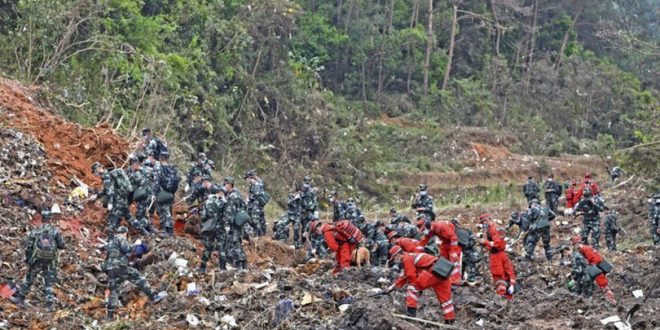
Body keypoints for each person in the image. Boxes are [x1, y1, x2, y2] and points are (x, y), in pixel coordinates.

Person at [103, 226, 167, 319]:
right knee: (138, 277)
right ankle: (154, 296)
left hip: (110, 268)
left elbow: (108, 255)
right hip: (120, 266)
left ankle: (109, 316)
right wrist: (135, 244)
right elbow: (127, 249)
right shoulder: (120, 238)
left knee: (113, 291)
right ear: (125, 233)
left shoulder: (111, 241)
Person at [10, 209, 66, 311]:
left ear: (42, 218)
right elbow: (62, 245)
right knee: (48, 282)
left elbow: (29, 247)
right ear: (50, 219)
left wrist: (28, 259)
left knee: (29, 279)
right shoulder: (55, 231)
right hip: (50, 262)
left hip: (37, 260)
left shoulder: (36, 231)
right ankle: (49, 305)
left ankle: (20, 298)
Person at [388, 246, 455, 324]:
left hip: (432, 271)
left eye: (394, 258)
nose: (395, 261)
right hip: (442, 270)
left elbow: (411, 276)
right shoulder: (410, 256)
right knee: (446, 299)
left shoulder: (406, 259)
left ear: (397, 255)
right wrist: (393, 286)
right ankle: (450, 320)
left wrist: (417, 288)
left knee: (412, 288)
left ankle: (411, 314)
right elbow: (405, 275)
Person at [478, 213, 517, 299]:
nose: (483, 225)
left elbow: (497, 243)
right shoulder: (494, 228)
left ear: (487, 220)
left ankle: (501, 296)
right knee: (506, 271)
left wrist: (485, 242)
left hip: (496, 255)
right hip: (499, 253)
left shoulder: (493, 229)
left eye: (483, 222)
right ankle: (507, 295)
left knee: (498, 275)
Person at [569, 236, 616, 304]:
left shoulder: (584, 248)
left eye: (574, 245)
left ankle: (612, 301)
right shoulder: (584, 248)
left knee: (603, 285)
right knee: (602, 285)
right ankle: (609, 300)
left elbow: (596, 259)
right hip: (598, 267)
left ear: (576, 244)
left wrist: (591, 266)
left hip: (597, 268)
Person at [92, 162, 133, 238]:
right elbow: (106, 190)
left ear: (98, 169)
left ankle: (110, 241)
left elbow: (110, 192)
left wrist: (110, 203)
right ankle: (146, 232)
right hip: (123, 200)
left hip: (117, 202)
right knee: (129, 218)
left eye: (95, 172)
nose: (95, 174)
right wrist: (97, 195)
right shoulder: (108, 174)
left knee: (111, 222)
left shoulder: (106, 177)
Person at [418, 219, 462, 285]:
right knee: (443, 259)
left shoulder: (440, 226)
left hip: (454, 242)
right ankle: (443, 276)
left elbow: (454, 237)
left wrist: (454, 251)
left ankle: (455, 281)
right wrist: (418, 248)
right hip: (445, 242)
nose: (424, 231)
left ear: (428, 226)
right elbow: (425, 239)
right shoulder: (431, 230)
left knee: (454, 259)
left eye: (424, 229)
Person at [198, 188, 227, 273]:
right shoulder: (223, 202)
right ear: (220, 193)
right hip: (220, 227)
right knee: (221, 247)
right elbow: (226, 215)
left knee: (208, 247)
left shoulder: (207, 201)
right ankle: (222, 268)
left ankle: (202, 268)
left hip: (209, 227)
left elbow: (203, 215)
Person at [151, 151, 180, 237]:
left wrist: (154, 194)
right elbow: (178, 179)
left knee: (164, 211)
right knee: (168, 211)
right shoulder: (172, 168)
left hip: (162, 193)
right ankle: (168, 230)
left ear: (160, 158)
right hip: (171, 193)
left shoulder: (159, 168)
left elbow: (156, 182)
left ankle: (167, 231)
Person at [222, 177, 248, 269]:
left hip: (233, 224)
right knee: (237, 243)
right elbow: (244, 206)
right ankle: (243, 264)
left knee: (235, 243)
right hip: (239, 223)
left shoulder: (231, 197)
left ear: (229, 185)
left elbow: (229, 212)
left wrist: (227, 224)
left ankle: (239, 265)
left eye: (225, 185)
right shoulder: (238, 194)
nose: (224, 186)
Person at [127, 155, 155, 235]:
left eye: (132, 165)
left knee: (140, 214)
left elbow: (132, 183)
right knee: (147, 213)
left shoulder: (136, 174)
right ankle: (149, 229)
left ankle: (145, 232)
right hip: (150, 196)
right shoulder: (149, 169)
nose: (132, 167)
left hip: (145, 197)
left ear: (136, 164)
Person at [452, 218, 482, 284]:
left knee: (470, 264)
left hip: (468, 253)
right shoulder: (450, 233)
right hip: (458, 255)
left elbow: (473, 241)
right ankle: (459, 279)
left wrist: (464, 245)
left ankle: (471, 279)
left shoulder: (466, 231)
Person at [245, 170, 269, 237]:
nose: (246, 180)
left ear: (250, 177)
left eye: (247, 178)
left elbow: (257, 194)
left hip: (256, 205)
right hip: (255, 205)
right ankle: (261, 234)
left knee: (255, 220)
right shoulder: (256, 183)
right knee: (260, 220)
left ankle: (259, 235)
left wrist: (248, 198)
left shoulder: (257, 184)